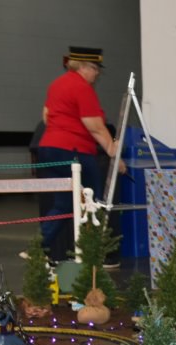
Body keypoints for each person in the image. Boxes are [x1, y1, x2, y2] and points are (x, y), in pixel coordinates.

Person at [36, 46, 123, 262]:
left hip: (48, 149)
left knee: (64, 203)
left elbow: (46, 116)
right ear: (83, 67)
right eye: (95, 68)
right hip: (73, 151)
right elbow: (95, 127)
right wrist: (114, 153)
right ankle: (95, 253)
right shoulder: (82, 88)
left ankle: (38, 247)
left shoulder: (57, 84)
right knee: (93, 200)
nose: (97, 73)